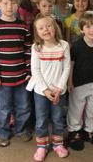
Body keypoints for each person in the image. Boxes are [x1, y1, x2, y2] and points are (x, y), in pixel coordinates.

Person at [0, 0, 32, 147]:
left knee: (23, 106)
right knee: (3, 108)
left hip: (21, 77)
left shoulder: (23, 26)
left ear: (18, 5)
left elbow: (28, 50)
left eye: (13, 3)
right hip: (2, 78)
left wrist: (29, 71)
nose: (9, 6)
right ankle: (2, 132)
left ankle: (21, 129)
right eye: (5, 3)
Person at [26, 14, 70, 161]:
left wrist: (59, 88)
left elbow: (66, 68)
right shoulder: (36, 47)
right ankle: (42, 146)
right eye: (41, 28)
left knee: (58, 118)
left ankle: (58, 144)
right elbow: (35, 70)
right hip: (40, 92)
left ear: (55, 27)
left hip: (59, 91)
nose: (46, 29)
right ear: (37, 32)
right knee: (41, 119)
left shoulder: (63, 45)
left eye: (48, 25)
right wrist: (45, 90)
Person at [67, 11, 93, 151]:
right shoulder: (77, 45)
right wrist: (69, 81)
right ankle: (74, 131)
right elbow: (71, 64)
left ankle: (90, 130)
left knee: (92, 108)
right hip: (78, 83)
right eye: (88, 27)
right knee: (76, 109)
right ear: (82, 29)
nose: (92, 30)